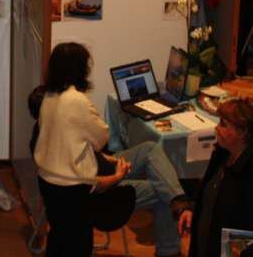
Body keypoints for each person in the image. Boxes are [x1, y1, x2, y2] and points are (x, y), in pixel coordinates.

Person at [31, 42, 186, 256]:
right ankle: (171, 243)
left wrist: (108, 160)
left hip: (70, 182)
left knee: (150, 149)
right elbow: (101, 138)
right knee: (163, 189)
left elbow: (80, 148)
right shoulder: (76, 100)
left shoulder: (48, 98)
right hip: (96, 192)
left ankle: (178, 201)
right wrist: (117, 175)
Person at [175, 97, 253, 257]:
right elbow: (211, 193)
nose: (216, 128)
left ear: (242, 132)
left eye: (223, 124)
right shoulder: (223, 155)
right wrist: (193, 208)